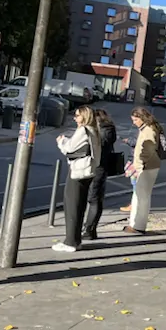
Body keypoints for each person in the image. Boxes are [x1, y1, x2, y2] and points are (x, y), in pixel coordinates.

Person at [53, 105, 102, 254]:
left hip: (78, 171)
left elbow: (69, 149)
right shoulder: (94, 131)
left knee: (71, 205)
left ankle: (70, 242)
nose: (75, 118)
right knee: (79, 205)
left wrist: (61, 141)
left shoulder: (83, 130)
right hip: (89, 171)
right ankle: (76, 240)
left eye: (78, 116)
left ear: (85, 117)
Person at [82, 108, 117, 241]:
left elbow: (97, 147)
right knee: (96, 198)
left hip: (98, 167)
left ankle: (89, 229)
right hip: (101, 166)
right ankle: (90, 229)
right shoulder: (109, 128)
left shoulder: (102, 130)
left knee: (93, 199)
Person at [126, 107, 162, 234]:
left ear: (142, 118)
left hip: (147, 167)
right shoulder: (149, 128)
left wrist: (139, 165)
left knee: (141, 196)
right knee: (141, 195)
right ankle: (136, 224)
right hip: (149, 165)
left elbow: (148, 148)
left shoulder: (148, 130)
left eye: (135, 120)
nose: (134, 123)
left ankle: (137, 225)